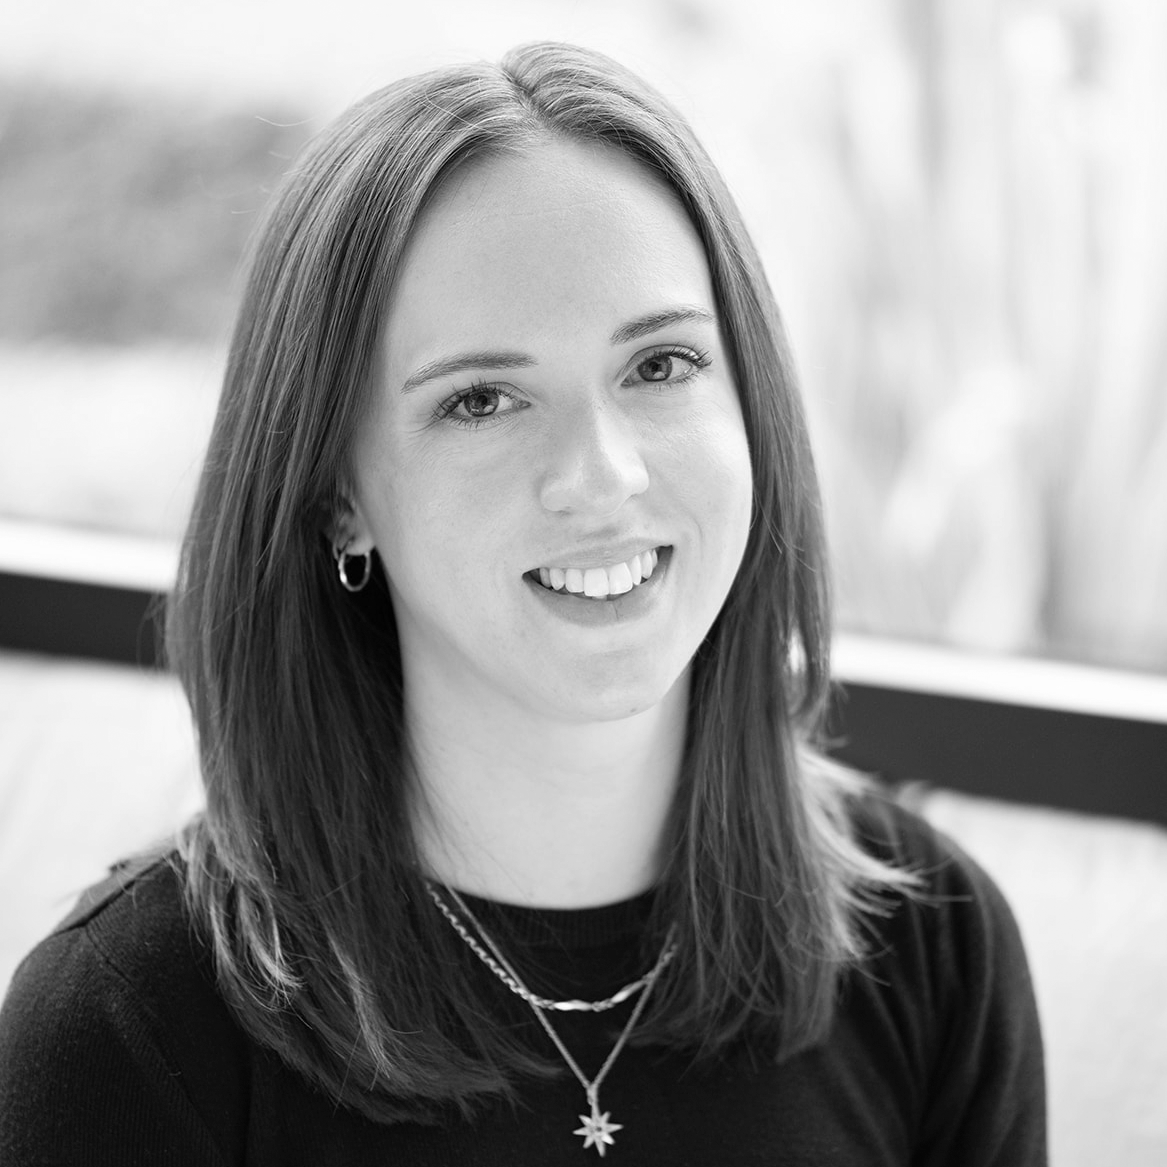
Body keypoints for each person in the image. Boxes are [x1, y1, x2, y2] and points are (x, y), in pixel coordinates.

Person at [0, 42, 1046, 1164]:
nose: (603, 477)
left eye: (661, 367)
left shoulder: (932, 943)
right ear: (336, 498)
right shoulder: (123, 1032)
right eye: (484, 399)